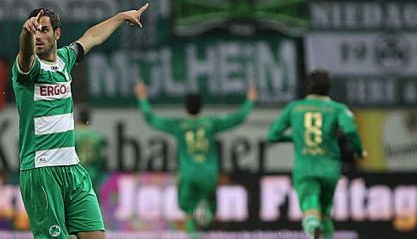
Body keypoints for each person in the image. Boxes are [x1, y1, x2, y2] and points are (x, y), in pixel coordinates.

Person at [11, 4, 148, 239]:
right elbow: (25, 55)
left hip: (73, 169)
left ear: (57, 33)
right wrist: (26, 33)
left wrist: (122, 16)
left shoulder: (66, 59)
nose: (38, 37)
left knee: (95, 235)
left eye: (44, 30)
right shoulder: (28, 69)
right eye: (35, 32)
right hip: (42, 171)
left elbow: (92, 36)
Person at [134, 80, 257, 237]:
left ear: (185, 108)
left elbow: (151, 118)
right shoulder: (210, 123)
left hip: (188, 175)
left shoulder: (179, 125)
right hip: (209, 175)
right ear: (202, 107)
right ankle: (205, 216)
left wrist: (142, 98)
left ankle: (195, 230)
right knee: (210, 209)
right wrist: (250, 100)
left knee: (188, 213)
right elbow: (237, 118)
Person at [267, 69, 366, 239]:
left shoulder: (294, 107)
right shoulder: (337, 108)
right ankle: (322, 231)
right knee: (325, 212)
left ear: (308, 87)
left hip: (305, 168)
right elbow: (350, 130)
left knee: (310, 207)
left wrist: (296, 138)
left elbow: (272, 135)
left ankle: (312, 228)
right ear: (329, 88)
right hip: (329, 167)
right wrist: (359, 150)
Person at [75, 107, 107, 194]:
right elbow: (101, 159)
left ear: (78, 119)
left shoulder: (73, 135)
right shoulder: (96, 137)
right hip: (93, 175)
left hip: (77, 176)